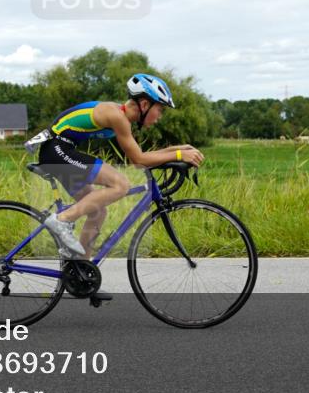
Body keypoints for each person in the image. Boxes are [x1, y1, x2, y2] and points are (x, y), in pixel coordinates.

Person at [36, 73, 204, 259]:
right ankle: (62, 220)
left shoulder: (120, 115)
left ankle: (79, 269)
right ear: (145, 105)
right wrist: (179, 155)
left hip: (58, 150)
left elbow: (140, 156)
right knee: (121, 185)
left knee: (98, 211)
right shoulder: (117, 117)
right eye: (160, 109)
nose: (160, 116)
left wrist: (177, 150)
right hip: (57, 150)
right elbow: (138, 160)